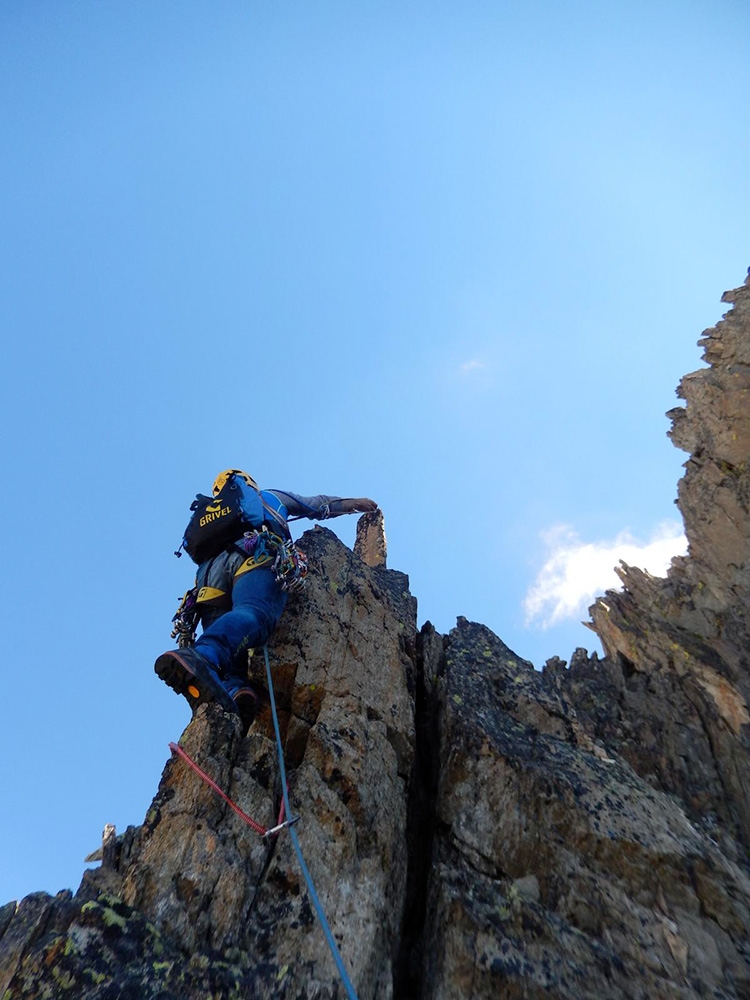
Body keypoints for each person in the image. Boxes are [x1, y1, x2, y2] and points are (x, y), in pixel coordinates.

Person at [155, 469, 377, 724]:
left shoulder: (209, 513)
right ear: (248, 483)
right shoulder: (268, 497)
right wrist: (353, 504)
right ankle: (201, 656)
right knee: (254, 613)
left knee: (232, 638)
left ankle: (236, 691)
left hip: (208, 579)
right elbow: (315, 505)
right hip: (254, 554)